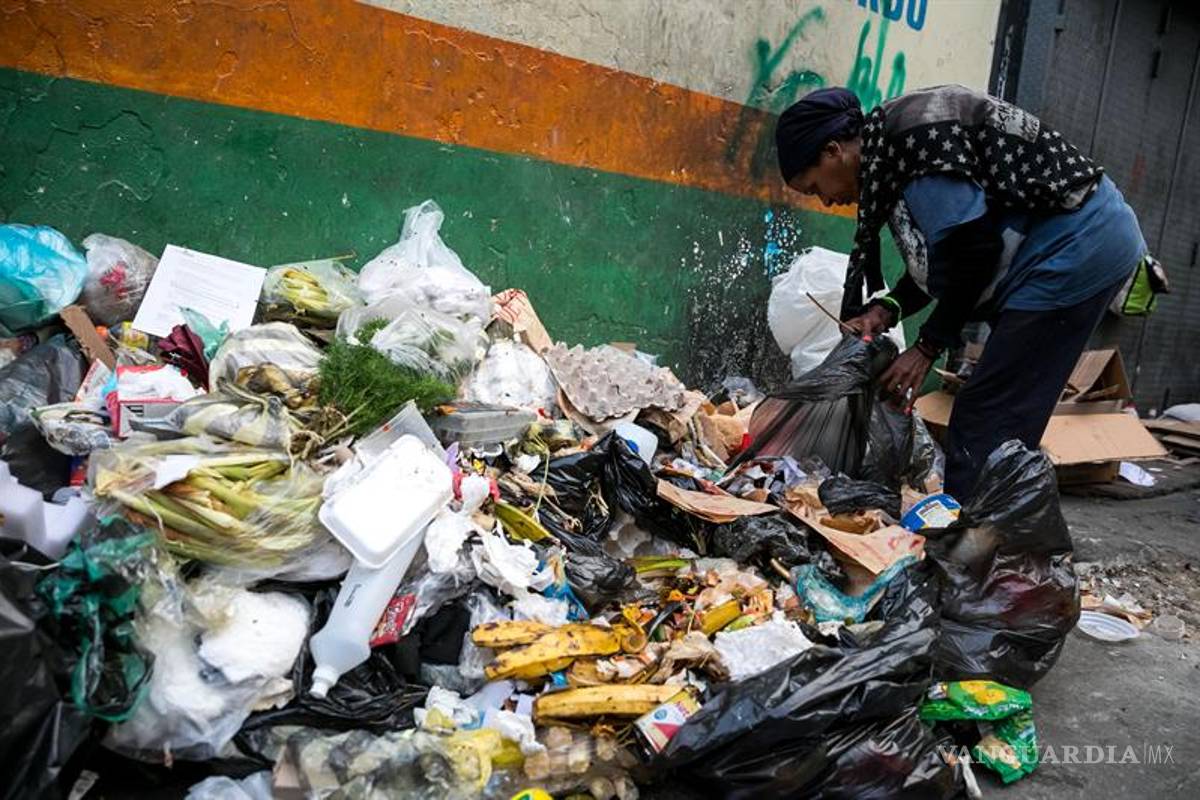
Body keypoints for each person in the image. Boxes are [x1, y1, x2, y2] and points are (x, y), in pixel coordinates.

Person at [774, 84, 1147, 499]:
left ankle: (973, 549)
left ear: (832, 152)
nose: (825, 200)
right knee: (999, 413)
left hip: (1078, 247)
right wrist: (887, 309)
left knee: (988, 416)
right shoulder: (891, 154)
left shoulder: (914, 147)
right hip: (1066, 249)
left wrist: (926, 348)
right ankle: (993, 535)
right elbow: (941, 262)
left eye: (813, 187)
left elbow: (974, 252)